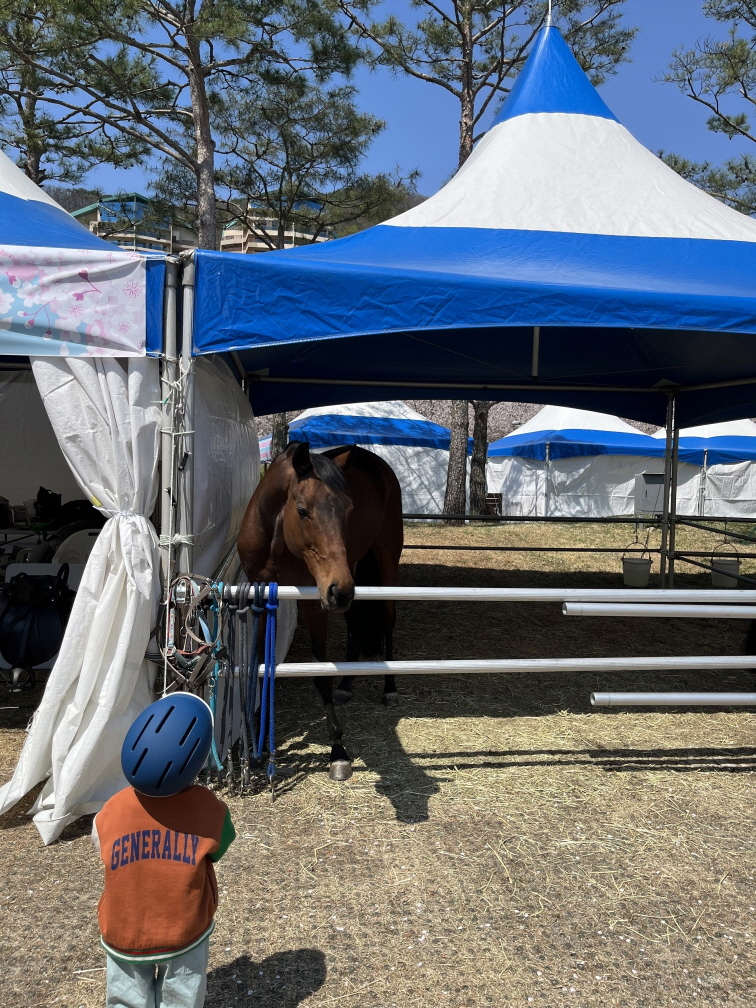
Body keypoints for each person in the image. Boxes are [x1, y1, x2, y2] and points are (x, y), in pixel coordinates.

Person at [92, 693, 235, 1008]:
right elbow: (221, 847)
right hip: (184, 931)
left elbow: (101, 846)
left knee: (126, 1001)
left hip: (123, 930)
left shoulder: (111, 809)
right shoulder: (209, 808)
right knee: (182, 999)